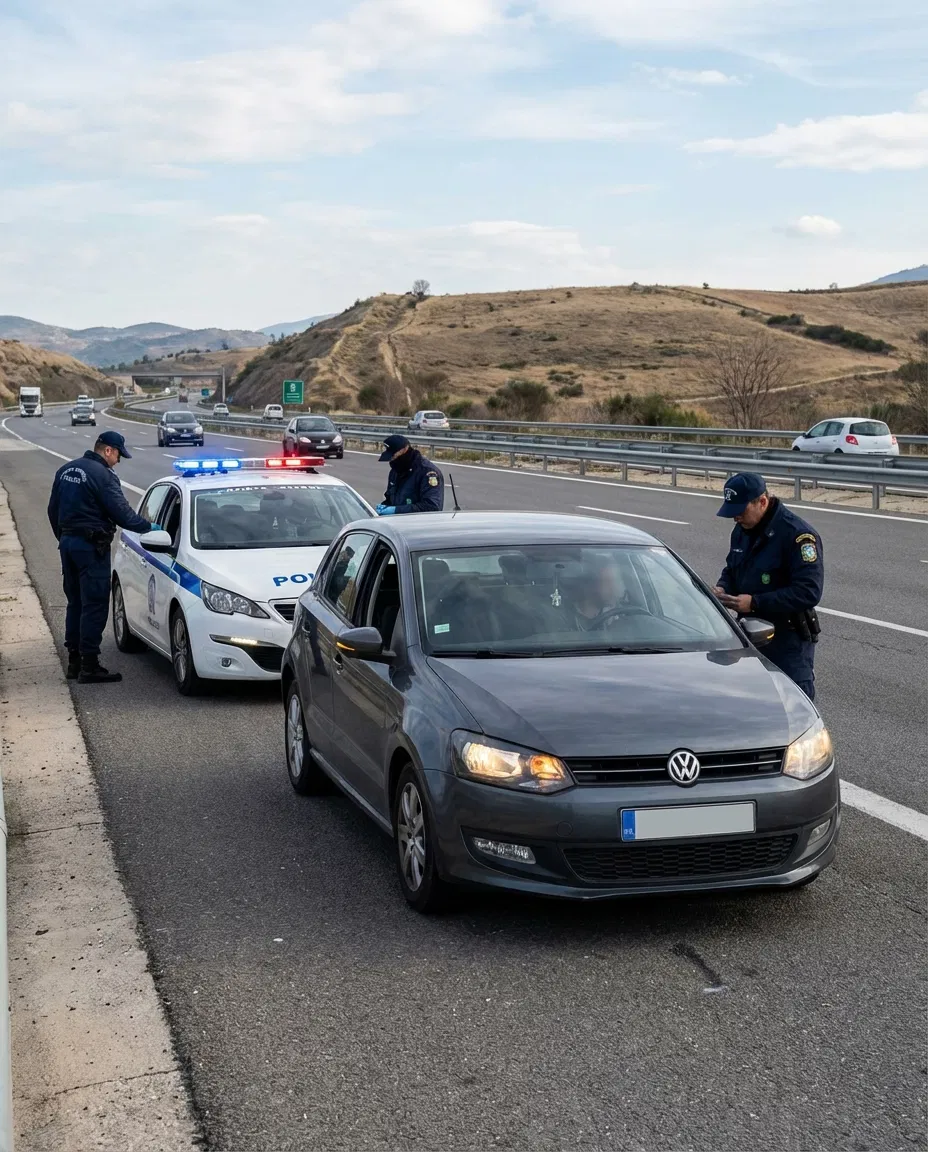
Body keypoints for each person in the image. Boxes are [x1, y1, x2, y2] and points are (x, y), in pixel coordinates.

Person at [47, 431, 153, 684]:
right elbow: (124, 515)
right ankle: (90, 666)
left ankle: (73, 660)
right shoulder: (103, 475)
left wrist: (63, 538)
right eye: (118, 455)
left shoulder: (66, 470)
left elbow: (53, 510)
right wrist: (150, 528)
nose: (118, 461)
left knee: (76, 602)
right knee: (94, 604)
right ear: (107, 451)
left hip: (68, 544)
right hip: (91, 547)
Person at [713, 472, 823, 700]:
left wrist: (754, 602)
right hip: (748, 638)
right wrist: (723, 588)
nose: (736, 519)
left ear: (762, 502)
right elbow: (732, 569)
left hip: (787, 642)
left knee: (792, 711)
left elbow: (808, 591)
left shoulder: (797, 535)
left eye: (741, 512)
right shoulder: (742, 531)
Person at [376, 435, 444, 515]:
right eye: (391, 459)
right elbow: (390, 499)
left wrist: (396, 510)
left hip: (418, 524)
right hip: (397, 522)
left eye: (394, 456)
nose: (392, 460)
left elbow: (432, 507)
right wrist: (384, 507)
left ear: (404, 450)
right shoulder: (396, 470)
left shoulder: (427, 472)